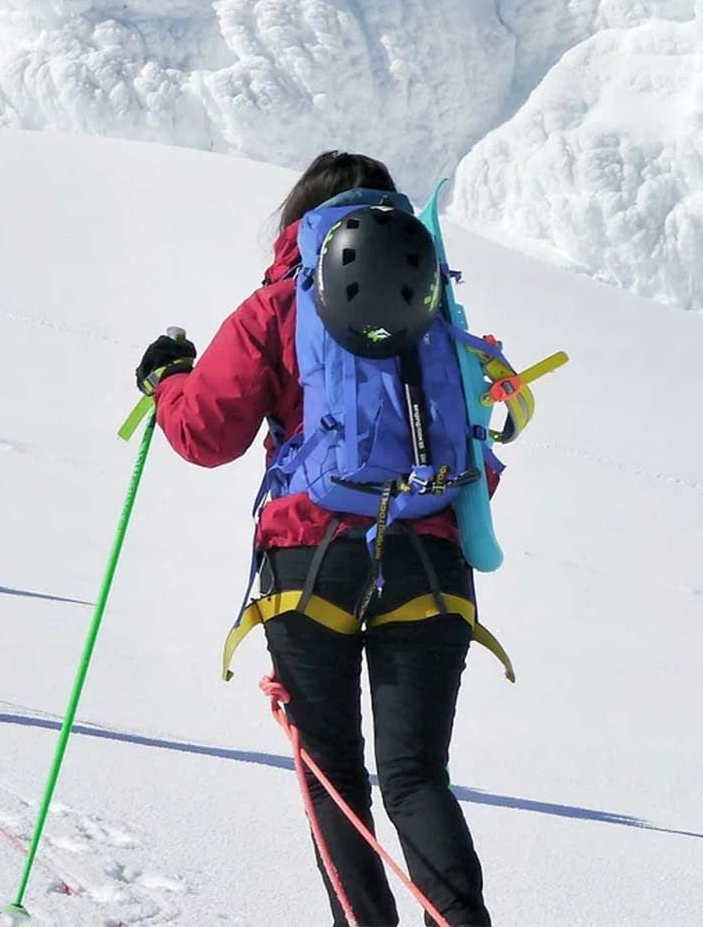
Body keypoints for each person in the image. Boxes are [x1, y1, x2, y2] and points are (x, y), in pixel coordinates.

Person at [135, 151, 495, 927]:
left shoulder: (280, 301)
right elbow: (473, 450)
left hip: (311, 560)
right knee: (416, 777)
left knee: (333, 776)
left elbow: (206, 433)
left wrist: (167, 381)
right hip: (430, 561)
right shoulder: (437, 311)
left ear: (303, 218)